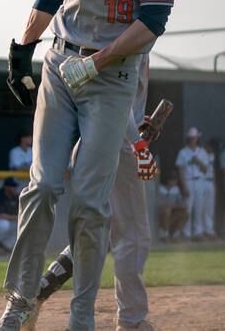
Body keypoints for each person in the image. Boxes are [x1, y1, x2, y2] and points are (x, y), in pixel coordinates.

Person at [0, 0, 177, 331]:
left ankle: (82, 317)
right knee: (43, 186)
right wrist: (21, 51)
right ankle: (19, 302)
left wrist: (97, 64)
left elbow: (152, 23)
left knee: (93, 205)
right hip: (60, 65)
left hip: (113, 76)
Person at [25, 55, 161, 331]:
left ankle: (38, 292)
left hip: (93, 141)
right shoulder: (129, 42)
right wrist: (137, 144)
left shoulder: (98, 39)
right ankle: (132, 320)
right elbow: (116, 103)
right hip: (119, 145)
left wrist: (137, 125)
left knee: (96, 232)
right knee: (132, 235)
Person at [175, 127, 208, 241]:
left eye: (195, 138)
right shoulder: (183, 152)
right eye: (191, 138)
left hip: (199, 181)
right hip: (188, 181)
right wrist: (184, 186)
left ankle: (198, 232)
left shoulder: (202, 152)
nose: (193, 140)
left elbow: (205, 169)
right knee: (188, 208)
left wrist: (198, 161)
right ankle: (186, 233)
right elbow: (180, 170)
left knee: (199, 207)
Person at [157, 171, 188, 242]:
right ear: (168, 181)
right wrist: (174, 206)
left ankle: (175, 235)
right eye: (173, 180)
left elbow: (182, 204)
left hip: (172, 212)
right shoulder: (160, 189)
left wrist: (174, 206)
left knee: (185, 214)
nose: (175, 182)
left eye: (176, 180)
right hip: (160, 214)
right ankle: (165, 235)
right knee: (167, 211)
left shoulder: (176, 189)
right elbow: (161, 205)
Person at [201, 138, 218, 239]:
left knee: (210, 208)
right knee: (202, 208)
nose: (212, 149)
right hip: (202, 181)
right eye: (211, 147)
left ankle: (209, 230)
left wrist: (215, 184)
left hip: (210, 182)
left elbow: (213, 170)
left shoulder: (212, 155)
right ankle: (202, 230)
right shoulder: (201, 153)